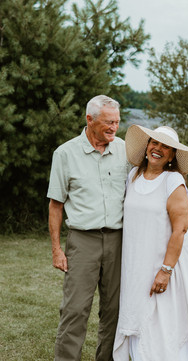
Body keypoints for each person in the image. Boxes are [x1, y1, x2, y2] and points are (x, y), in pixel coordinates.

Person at [47, 95, 129, 361]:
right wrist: (57, 249)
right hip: (82, 241)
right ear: (89, 120)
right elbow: (56, 205)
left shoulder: (125, 151)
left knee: (114, 310)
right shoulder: (65, 153)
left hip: (118, 240)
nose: (114, 128)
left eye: (116, 122)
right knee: (75, 310)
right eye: (108, 123)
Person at [113, 125, 188, 361]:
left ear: (172, 155)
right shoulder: (133, 176)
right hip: (136, 264)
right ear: (147, 146)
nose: (158, 149)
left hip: (164, 266)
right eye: (155, 142)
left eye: (166, 146)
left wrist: (165, 271)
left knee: (162, 325)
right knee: (139, 319)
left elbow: (180, 230)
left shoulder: (173, 181)